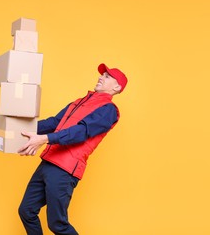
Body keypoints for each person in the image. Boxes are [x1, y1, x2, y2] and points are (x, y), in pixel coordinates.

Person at [17, 63, 128, 235]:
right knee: (26, 211)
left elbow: (81, 132)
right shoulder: (79, 102)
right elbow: (55, 122)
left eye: (107, 76)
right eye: (102, 75)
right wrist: (21, 128)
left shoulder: (109, 110)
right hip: (48, 161)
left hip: (65, 169)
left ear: (117, 87)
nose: (100, 77)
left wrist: (45, 139)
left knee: (57, 224)